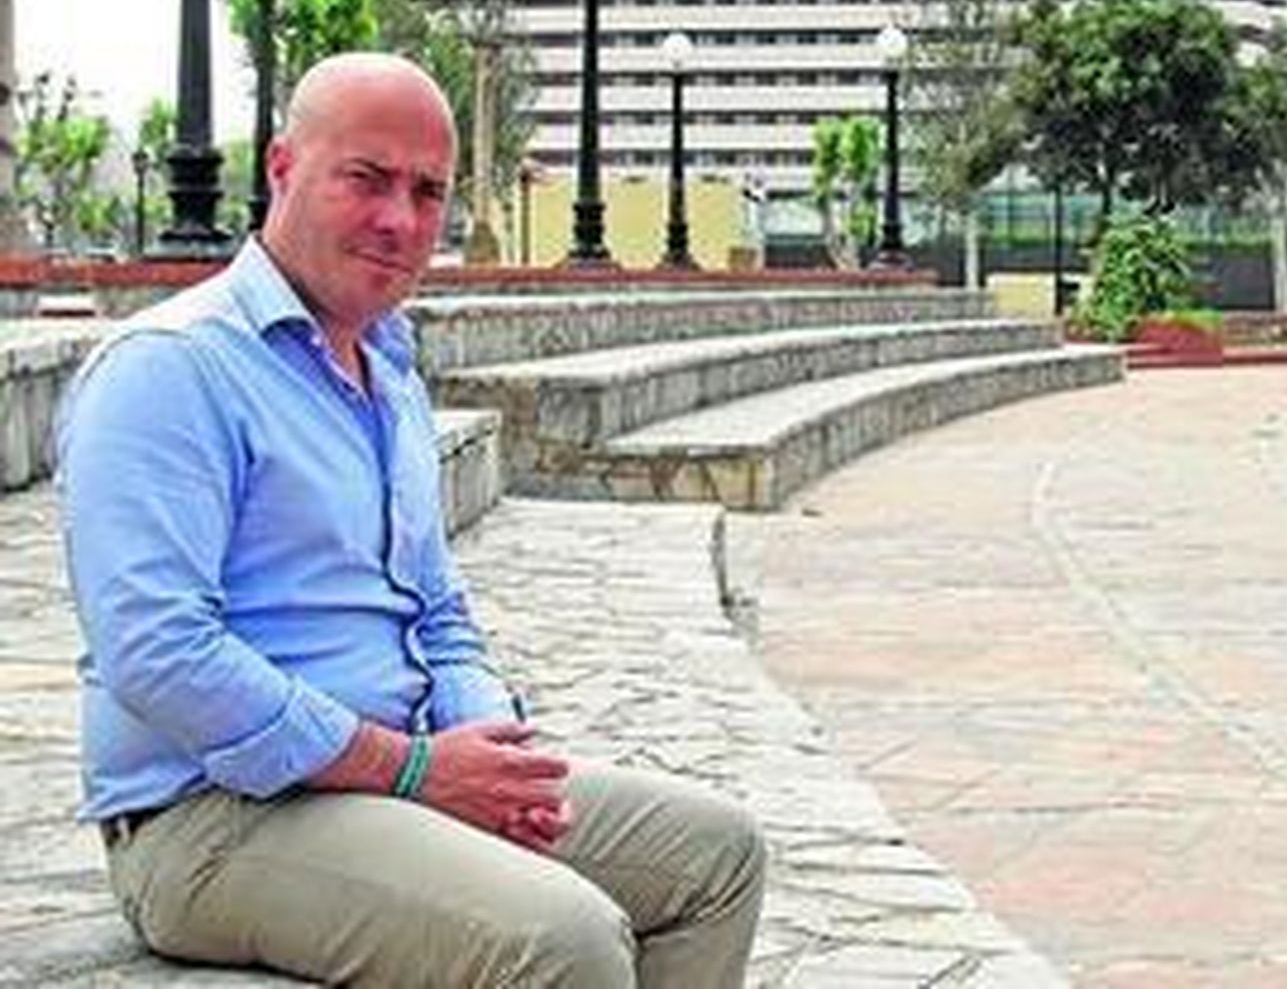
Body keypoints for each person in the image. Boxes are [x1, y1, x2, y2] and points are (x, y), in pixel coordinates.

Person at [58, 53, 765, 986]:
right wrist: (411, 770)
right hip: (212, 816)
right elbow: (157, 650)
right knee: (563, 940)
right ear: (282, 168)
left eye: (428, 192)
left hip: (401, 772)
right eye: (367, 178)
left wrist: (486, 756)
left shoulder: (386, 374)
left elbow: (435, 608)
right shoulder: (169, 369)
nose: (400, 220)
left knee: (716, 857)